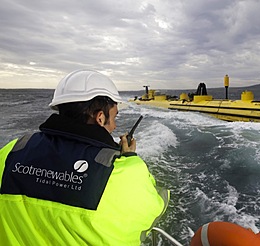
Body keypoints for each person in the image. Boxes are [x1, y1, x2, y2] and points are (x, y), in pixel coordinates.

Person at [0, 69, 169, 245]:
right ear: (100, 118)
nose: (115, 125)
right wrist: (130, 159)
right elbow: (158, 204)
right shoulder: (122, 175)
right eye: (114, 116)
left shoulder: (12, 150)